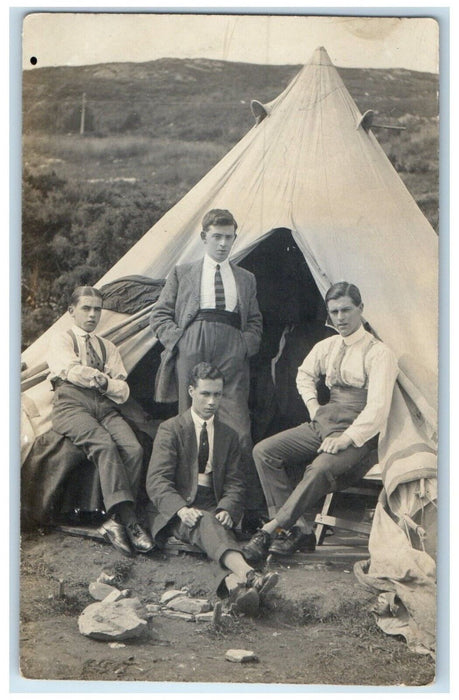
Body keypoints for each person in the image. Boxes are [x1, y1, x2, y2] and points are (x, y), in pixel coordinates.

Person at [243, 282, 399, 563]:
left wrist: (345, 439)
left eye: (346, 310)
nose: (340, 318)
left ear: (361, 310)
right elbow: (303, 374)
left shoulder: (379, 353)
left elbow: (377, 409)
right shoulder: (326, 346)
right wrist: (315, 408)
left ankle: (272, 528)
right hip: (324, 423)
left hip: (360, 434)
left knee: (319, 468)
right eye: (334, 312)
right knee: (264, 451)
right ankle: (299, 529)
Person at [150, 208, 265, 523]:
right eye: (217, 236)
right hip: (193, 343)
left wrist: (245, 345)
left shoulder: (246, 278)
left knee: (239, 428)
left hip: (231, 348)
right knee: (191, 425)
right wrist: (180, 340)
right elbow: (159, 314)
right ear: (204, 238)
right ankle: (188, 506)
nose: (223, 243)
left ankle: (239, 510)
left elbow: (254, 320)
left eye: (228, 237)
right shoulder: (183, 272)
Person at [145, 362, 279, 615]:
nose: (211, 401)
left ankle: (234, 587)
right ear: (191, 391)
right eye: (205, 394)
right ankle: (248, 573)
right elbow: (157, 481)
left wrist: (228, 507)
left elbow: (236, 482)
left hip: (211, 502)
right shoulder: (171, 429)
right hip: (177, 507)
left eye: (217, 394)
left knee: (213, 524)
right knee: (207, 524)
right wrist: (181, 509)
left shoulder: (230, 434)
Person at [47, 286, 155, 558]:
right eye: (86, 308)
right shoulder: (61, 339)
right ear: (71, 311)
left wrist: (103, 381)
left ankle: (113, 521)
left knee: (134, 448)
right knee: (104, 444)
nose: (93, 314)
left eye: (97, 309)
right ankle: (130, 521)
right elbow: (71, 372)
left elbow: (123, 390)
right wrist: (104, 380)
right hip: (71, 404)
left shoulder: (108, 347)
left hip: (103, 406)